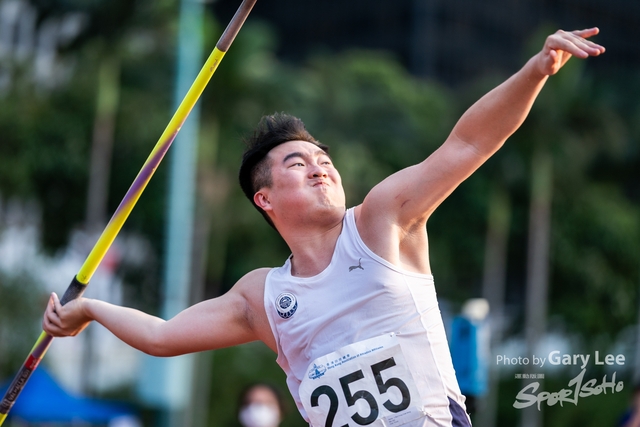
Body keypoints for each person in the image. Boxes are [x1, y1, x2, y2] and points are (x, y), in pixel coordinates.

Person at [43, 28, 605, 426]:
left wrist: (535, 71)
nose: (320, 166)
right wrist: (90, 309)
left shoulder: (384, 219)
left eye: (324, 158)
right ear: (264, 199)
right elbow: (163, 338)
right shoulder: (261, 296)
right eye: (297, 163)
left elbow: (469, 142)